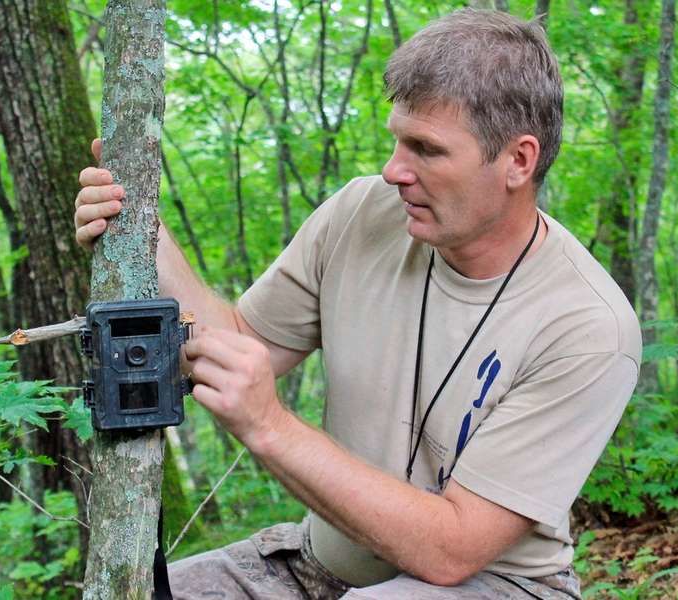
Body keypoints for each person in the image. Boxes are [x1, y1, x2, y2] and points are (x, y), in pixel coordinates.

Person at [74, 9, 640, 600]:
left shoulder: (587, 326)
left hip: (496, 585)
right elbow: (232, 347)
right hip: (318, 566)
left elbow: (453, 550)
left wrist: (270, 425)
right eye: (398, 139)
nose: (394, 170)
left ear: (518, 161)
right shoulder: (362, 216)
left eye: (427, 149)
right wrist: (141, 232)